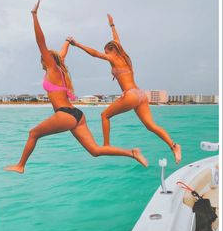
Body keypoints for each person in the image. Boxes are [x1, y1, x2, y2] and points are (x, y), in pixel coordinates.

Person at [4, 0, 148, 174]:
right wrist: (67, 41)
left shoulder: (51, 67)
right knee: (95, 151)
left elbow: (41, 42)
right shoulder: (61, 68)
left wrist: (34, 16)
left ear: (46, 59)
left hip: (65, 115)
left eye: (43, 58)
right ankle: (132, 152)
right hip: (78, 116)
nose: (41, 61)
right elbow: (62, 53)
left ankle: (20, 166)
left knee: (33, 133)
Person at [68, 13, 181, 164]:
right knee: (151, 125)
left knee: (104, 116)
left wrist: (77, 44)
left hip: (131, 95)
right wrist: (112, 25)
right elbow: (116, 40)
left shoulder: (113, 57)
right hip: (141, 94)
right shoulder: (124, 57)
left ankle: (107, 145)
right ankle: (174, 146)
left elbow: (95, 54)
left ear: (111, 50)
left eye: (106, 51)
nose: (106, 55)